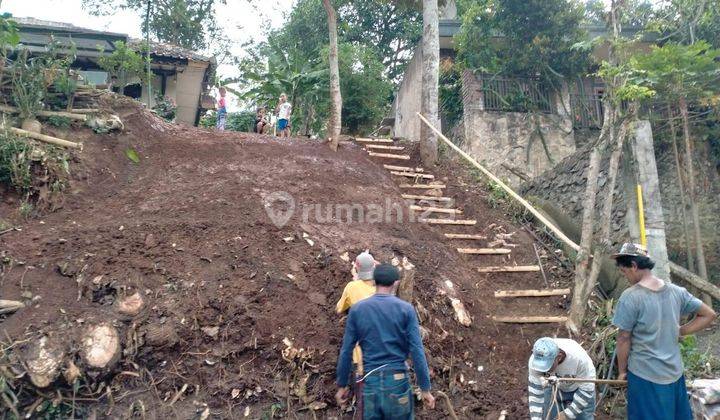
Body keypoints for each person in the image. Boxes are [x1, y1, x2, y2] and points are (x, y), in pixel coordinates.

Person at [612, 243, 716, 420]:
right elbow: (709, 314)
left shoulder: (630, 297)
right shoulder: (677, 291)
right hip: (674, 374)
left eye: (624, 271)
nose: (625, 276)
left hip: (645, 376)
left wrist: (622, 371)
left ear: (634, 266)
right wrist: (681, 331)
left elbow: (623, 338)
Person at [336, 263, 435, 419]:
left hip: (371, 383)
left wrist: (341, 385)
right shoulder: (406, 309)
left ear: (374, 282)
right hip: (398, 381)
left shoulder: (357, 310)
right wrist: (425, 388)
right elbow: (417, 350)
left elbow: (346, 350)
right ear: (396, 283)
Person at [336, 251, 377, 414]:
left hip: (361, 361)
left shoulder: (352, 287)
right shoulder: (383, 289)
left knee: (364, 407)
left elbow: (339, 308)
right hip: (387, 362)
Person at [528, 337, 596, 420]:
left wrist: (567, 415)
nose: (544, 370)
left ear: (559, 357)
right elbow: (535, 394)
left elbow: (586, 390)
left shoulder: (578, 359)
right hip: (555, 386)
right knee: (548, 416)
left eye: (547, 367)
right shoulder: (535, 363)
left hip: (580, 388)